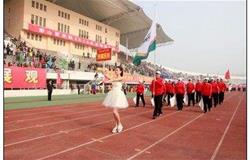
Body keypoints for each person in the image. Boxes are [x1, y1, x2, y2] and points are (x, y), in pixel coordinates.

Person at [102, 66, 128, 133]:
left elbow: (114, 80)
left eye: (117, 70)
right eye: (115, 70)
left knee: (114, 111)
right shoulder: (114, 77)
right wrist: (105, 71)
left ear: (120, 71)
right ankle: (117, 125)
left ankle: (119, 125)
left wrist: (108, 80)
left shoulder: (122, 78)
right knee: (114, 112)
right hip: (113, 94)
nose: (116, 71)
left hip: (118, 95)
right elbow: (106, 75)